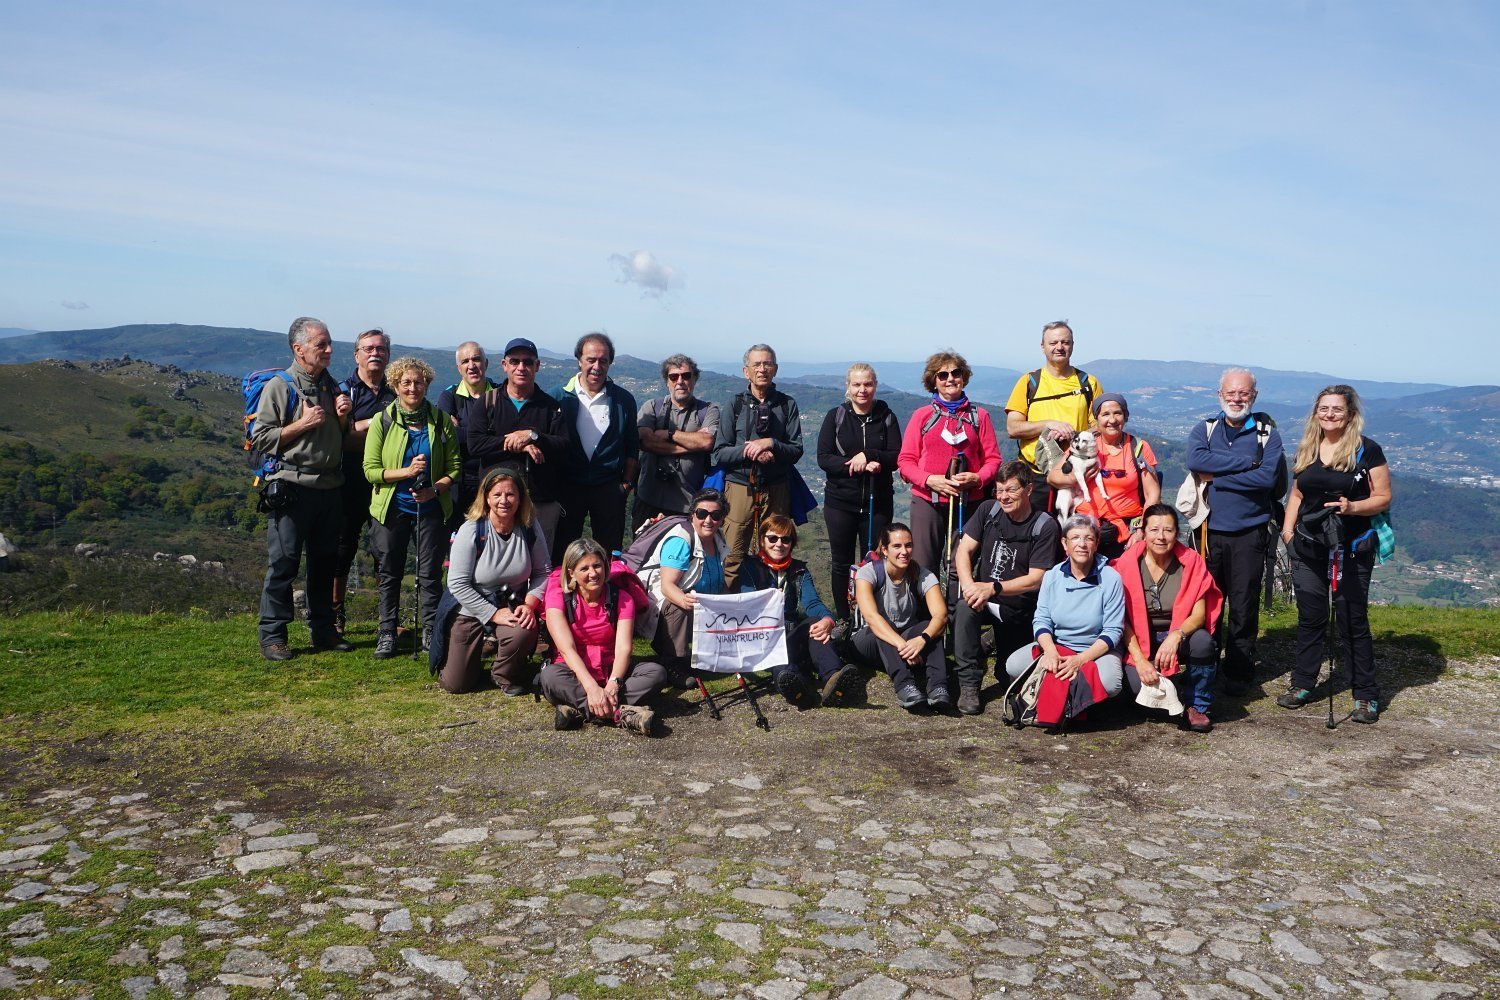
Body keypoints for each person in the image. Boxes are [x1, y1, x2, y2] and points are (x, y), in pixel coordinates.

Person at [1278, 385, 1391, 724]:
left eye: (1336, 409)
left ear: (1350, 415)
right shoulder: (1309, 447)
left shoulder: (1367, 450)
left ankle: (1366, 695)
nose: (1329, 414)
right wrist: (1288, 530)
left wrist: (1353, 506)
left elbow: (1383, 497)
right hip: (1307, 546)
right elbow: (1296, 492)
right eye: (1324, 408)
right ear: (1316, 412)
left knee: (1351, 620)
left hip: (1351, 547)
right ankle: (1302, 683)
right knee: (1311, 617)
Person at [251, 316, 354, 661]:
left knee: (324, 563)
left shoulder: (332, 385)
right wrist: (302, 423)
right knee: (284, 564)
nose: (328, 350)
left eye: (328, 344)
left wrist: (342, 417)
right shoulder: (279, 387)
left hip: (330, 487)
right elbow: (262, 438)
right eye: (320, 345)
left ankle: (323, 630)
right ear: (299, 349)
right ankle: (273, 637)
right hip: (293, 488)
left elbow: (338, 435)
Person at [1185, 368, 1286, 697]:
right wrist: (1246, 465)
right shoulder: (1206, 428)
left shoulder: (1266, 433)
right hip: (1208, 533)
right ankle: (1205, 667)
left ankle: (1239, 670)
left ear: (1253, 397)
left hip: (1250, 532)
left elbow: (1267, 480)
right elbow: (1195, 460)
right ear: (1220, 395)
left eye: (1243, 394)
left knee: (1243, 606)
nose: (1236, 398)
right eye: (1231, 393)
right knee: (1208, 604)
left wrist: (1217, 474)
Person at [363, 357, 461, 659]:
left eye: (418, 382)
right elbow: (370, 470)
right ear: (395, 385)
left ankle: (431, 631)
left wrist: (435, 489)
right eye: (406, 382)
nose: (412, 387)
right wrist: (406, 472)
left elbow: (455, 467)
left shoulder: (440, 420)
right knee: (390, 573)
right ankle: (387, 632)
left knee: (430, 574)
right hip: (392, 508)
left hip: (430, 508)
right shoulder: (383, 421)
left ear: (426, 384)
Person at [951, 462, 1062, 715]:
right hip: (985, 600)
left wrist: (993, 588)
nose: (1003, 497)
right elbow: (964, 550)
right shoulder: (987, 511)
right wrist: (969, 586)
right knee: (964, 608)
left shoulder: (1045, 526)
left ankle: (991, 641)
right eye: (999, 490)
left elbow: (1037, 578)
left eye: (1011, 490)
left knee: (1008, 676)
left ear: (1029, 489)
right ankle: (969, 683)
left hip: (1020, 609)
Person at [436, 468, 550, 694]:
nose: (504, 501)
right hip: (469, 607)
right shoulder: (471, 530)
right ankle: (464, 658)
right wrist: (492, 614)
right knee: (456, 684)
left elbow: (543, 571)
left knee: (525, 629)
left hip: (511, 602)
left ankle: (503, 673)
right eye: (497, 494)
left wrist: (529, 604)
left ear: (520, 498)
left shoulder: (529, 527)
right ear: (486, 497)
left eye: (510, 494)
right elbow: (457, 583)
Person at [540, 538, 666, 736]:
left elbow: (624, 648)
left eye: (597, 566)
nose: (593, 574)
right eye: (584, 569)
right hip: (572, 671)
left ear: (606, 567)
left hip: (610, 670)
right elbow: (566, 648)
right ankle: (621, 714)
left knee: (656, 673)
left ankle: (579, 711)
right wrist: (591, 688)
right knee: (549, 677)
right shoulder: (558, 597)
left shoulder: (621, 598)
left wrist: (613, 685)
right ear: (571, 573)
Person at [1115, 504, 1223, 733]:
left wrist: (1176, 636)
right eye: (1154, 530)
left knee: (1203, 642)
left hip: (1177, 633)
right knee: (1139, 692)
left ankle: (1197, 705)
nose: (1161, 537)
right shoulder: (1126, 564)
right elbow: (1121, 620)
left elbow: (1199, 614)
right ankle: (1166, 681)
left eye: (1168, 530)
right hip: (1137, 638)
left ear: (1177, 533)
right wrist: (1140, 660)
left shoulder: (1191, 562)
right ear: (1143, 532)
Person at [896, 351, 1002, 580]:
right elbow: (905, 461)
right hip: (927, 499)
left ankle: (957, 614)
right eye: (942, 375)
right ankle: (930, 615)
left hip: (969, 502)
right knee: (923, 566)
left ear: (963, 376)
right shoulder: (922, 416)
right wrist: (928, 480)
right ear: (933, 381)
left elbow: (993, 460)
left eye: (955, 373)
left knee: (961, 566)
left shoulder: (979, 416)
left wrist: (978, 478)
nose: (950, 379)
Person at [739, 515, 860, 709]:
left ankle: (833, 679)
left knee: (815, 622)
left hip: (791, 635)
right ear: (762, 540)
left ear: (792, 543)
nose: (779, 544)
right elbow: (747, 601)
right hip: (764, 638)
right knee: (780, 655)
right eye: (772, 538)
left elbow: (812, 603)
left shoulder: (799, 570)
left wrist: (828, 620)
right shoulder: (749, 567)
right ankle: (795, 686)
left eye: (785, 539)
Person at [1003, 515, 1127, 702]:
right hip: (1059, 645)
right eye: (1075, 538)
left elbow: (1114, 630)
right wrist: (1051, 652)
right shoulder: (1052, 576)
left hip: (1096, 649)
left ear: (1096, 543)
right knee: (1013, 665)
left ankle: (1076, 699)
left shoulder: (1111, 578)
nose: (1082, 544)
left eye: (1089, 538)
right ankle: (1067, 693)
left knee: (1111, 683)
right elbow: (1042, 620)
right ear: (1064, 543)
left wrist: (1080, 660)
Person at [711, 344, 804, 588]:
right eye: (756, 365)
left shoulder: (787, 405)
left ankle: (773, 609)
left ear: (775, 369)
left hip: (776, 488)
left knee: (776, 553)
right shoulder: (735, 404)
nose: (762, 369)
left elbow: (796, 450)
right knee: (732, 554)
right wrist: (751, 451)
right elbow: (720, 452)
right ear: (746, 371)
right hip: (740, 487)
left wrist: (771, 444)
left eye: (767, 364)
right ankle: (728, 612)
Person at [816, 363, 902, 622]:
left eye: (867, 384)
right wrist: (856, 464)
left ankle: (872, 618)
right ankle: (844, 619)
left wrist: (871, 455)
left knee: (876, 562)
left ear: (875, 386)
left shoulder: (887, 416)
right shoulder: (836, 416)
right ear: (848, 387)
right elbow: (823, 458)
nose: (862, 390)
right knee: (841, 563)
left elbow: (897, 456)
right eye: (857, 384)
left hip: (878, 501)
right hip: (840, 502)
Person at [466, 337, 569, 549]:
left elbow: (565, 447)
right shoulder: (487, 403)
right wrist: (517, 442)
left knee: (539, 567)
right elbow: (475, 445)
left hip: (540, 502)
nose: (521, 367)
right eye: (514, 361)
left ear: (537, 366)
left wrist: (534, 435)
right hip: (497, 504)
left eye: (528, 362)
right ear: (505, 365)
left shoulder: (551, 407)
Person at [553, 333, 639, 562]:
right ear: (579, 360)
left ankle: (607, 597)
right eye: (591, 359)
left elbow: (632, 446)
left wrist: (626, 485)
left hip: (609, 487)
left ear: (610, 362)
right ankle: (562, 595)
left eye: (603, 360)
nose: (597, 366)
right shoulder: (559, 397)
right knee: (563, 549)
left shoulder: (624, 400)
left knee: (608, 553)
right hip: (569, 487)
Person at [332, 328, 395, 636]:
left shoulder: (396, 390)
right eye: (368, 348)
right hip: (349, 480)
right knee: (343, 547)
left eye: (381, 349)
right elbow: (341, 439)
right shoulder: (343, 390)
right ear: (356, 354)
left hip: (386, 482)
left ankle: (388, 620)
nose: (375, 353)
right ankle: (335, 613)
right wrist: (379, 424)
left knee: (384, 550)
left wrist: (360, 429)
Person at [1006, 320, 1103, 512]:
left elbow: (1100, 426)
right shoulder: (1029, 382)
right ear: (1043, 347)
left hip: (1074, 474)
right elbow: (1012, 428)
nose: (1059, 347)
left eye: (1065, 342)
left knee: (1072, 536)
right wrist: (1049, 425)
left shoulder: (1088, 383)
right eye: (1053, 343)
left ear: (1072, 346)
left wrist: (1073, 435)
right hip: (1033, 476)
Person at [851, 523, 949, 711]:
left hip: (901, 641)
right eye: (897, 546)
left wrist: (923, 639)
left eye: (908, 545)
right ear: (885, 550)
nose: (904, 551)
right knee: (882, 623)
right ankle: (905, 685)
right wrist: (903, 646)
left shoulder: (921, 575)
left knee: (931, 627)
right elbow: (871, 617)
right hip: (866, 640)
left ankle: (938, 687)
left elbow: (941, 616)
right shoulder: (868, 573)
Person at [1047, 393, 1159, 558]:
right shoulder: (1084, 444)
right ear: (1097, 420)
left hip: (1127, 529)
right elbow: (1052, 477)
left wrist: (1142, 530)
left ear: (1125, 417)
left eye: (1117, 413)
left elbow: (1153, 494)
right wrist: (1076, 478)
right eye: (1105, 414)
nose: (1112, 420)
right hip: (1085, 529)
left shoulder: (1139, 448)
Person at [637, 488, 729, 685]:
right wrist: (685, 601)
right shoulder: (680, 540)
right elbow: (667, 586)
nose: (708, 520)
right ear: (692, 515)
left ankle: (706, 653)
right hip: (662, 604)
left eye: (716, 515)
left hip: (700, 601)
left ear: (722, 518)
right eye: (702, 514)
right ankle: (672, 662)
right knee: (678, 606)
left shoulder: (719, 539)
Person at [634, 354, 720, 531]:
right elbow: (645, 441)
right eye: (674, 376)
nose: (680, 381)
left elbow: (706, 442)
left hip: (688, 506)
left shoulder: (708, 410)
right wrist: (690, 444)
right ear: (667, 381)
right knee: (641, 554)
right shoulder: (652, 407)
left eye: (686, 376)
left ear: (694, 379)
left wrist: (669, 434)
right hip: (648, 499)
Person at [435, 341, 500, 532]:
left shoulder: (500, 394)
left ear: (486, 363)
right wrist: (488, 432)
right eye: (465, 361)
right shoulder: (449, 397)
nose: (471, 365)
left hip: (491, 478)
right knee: (458, 541)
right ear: (459, 368)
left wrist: (463, 429)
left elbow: (505, 432)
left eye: (476, 359)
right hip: (458, 481)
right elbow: (447, 436)